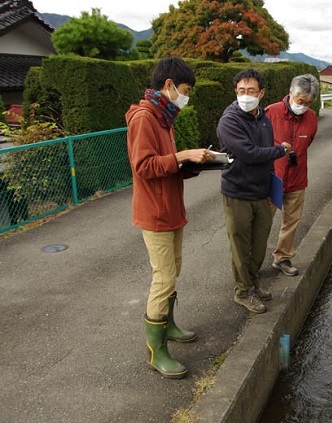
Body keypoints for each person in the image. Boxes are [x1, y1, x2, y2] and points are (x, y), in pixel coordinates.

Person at [125, 56, 215, 379]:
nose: (185, 96)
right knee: (163, 278)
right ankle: (156, 351)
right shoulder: (144, 119)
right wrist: (181, 156)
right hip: (155, 213)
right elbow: (143, 167)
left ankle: (169, 324)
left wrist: (191, 164)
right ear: (169, 86)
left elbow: (167, 165)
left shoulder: (164, 117)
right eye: (185, 90)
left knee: (172, 271)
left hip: (172, 209)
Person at [217, 68, 292, 314]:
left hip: (261, 192)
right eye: (241, 91)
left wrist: (272, 184)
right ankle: (242, 291)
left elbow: (264, 151)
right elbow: (248, 153)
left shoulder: (262, 117)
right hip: (237, 193)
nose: (245, 95)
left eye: (251, 91)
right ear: (235, 92)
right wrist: (280, 150)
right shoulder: (230, 120)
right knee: (241, 246)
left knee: (259, 246)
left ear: (261, 93)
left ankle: (252, 283)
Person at [265, 74, 319, 277]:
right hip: (271, 176)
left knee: (291, 220)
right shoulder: (271, 112)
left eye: (308, 102)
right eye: (300, 101)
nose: (303, 106)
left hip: (297, 178)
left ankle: (282, 258)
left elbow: (309, 141)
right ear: (290, 93)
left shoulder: (311, 118)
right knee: (263, 221)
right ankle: (252, 264)